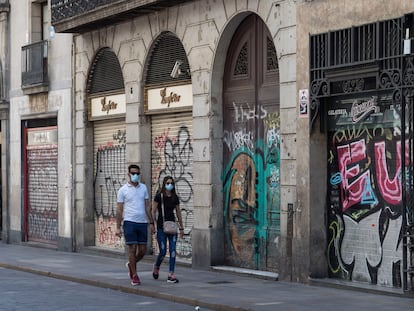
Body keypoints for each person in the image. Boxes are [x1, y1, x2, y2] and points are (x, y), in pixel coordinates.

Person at [116, 164, 155, 286]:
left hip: (142, 222)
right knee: (132, 249)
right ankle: (134, 275)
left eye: (137, 173)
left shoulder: (143, 188)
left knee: (143, 250)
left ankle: (131, 265)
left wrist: (152, 222)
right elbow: (119, 210)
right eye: (133, 173)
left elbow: (147, 206)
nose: (135, 176)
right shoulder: (123, 190)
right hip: (129, 222)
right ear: (128, 174)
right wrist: (118, 227)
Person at [151, 175, 184, 283]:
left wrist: (181, 228)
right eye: (168, 183)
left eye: (171, 183)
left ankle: (171, 274)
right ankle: (157, 266)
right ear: (164, 184)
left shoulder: (175, 197)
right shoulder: (159, 196)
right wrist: (154, 224)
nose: (170, 185)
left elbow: (178, 212)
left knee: (173, 250)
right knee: (163, 251)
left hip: (172, 227)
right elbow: (153, 211)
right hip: (161, 227)